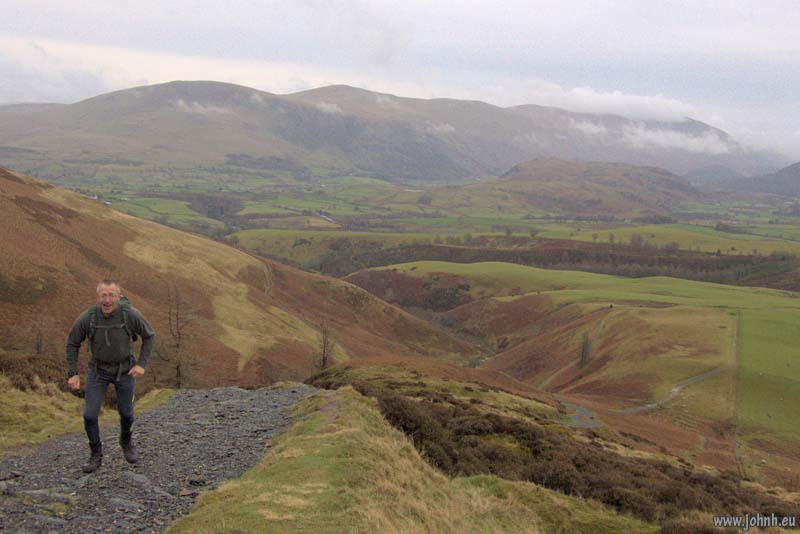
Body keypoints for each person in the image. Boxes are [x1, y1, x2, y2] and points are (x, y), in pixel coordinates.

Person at [66, 279, 156, 473]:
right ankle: (95, 454)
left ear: (118, 296)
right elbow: (72, 343)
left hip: (125, 371)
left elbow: (149, 336)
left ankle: (126, 442)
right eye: (103, 296)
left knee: (126, 413)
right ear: (98, 297)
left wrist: (141, 364)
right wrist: (73, 373)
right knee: (90, 415)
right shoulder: (89, 317)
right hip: (98, 372)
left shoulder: (129, 314)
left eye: (111, 296)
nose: (107, 300)